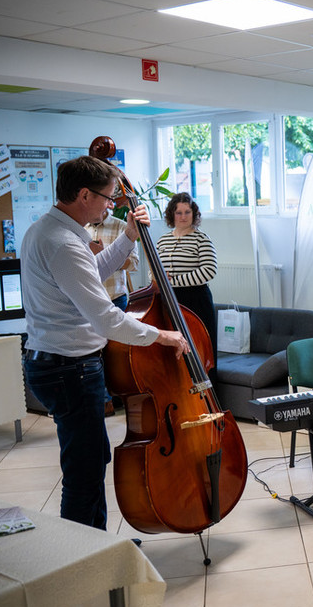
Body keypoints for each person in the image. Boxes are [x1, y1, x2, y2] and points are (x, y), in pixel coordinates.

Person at [21, 155, 188, 530]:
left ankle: (98, 545)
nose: (112, 206)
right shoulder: (63, 243)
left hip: (57, 364)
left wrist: (128, 237)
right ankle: (83, 552)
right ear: (84, 195)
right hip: (70, 369)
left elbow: (91, 273)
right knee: (84, 472)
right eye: (109, 198)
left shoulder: (45, 231)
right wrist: (162, 335)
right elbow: (106, 318)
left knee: (92, 462)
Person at [156, 193, 218, 381]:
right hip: (169, 300)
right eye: (178, 212)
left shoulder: (201, 239)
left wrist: (172, 282)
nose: (183, 216)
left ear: (194, 214)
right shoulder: (162, 240)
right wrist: (159, 279)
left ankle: (209, 394)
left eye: (187, 212)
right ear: (171, 215)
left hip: (196, 300)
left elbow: (209, 271)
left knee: (200, 350)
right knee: (173, 350)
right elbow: (154, 270)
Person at [87, 207, 140, 415]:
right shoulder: (80, 228)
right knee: (93, 353)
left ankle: (122, 397)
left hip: (115, 298)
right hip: (90, 300)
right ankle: (104, 401)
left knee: (118, 354)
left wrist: (106, 257)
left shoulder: (122, 227)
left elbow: (133, 263)